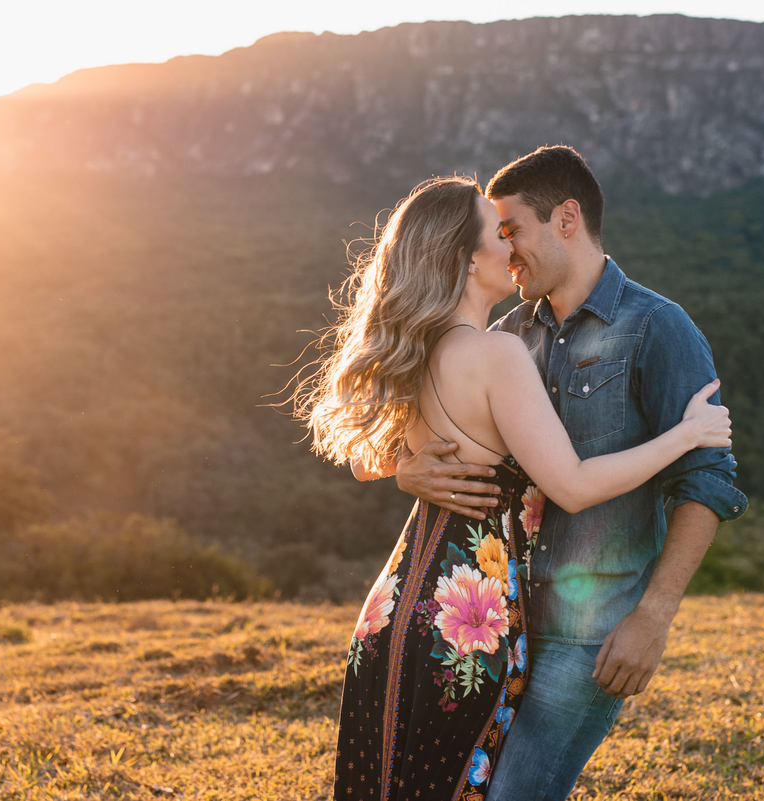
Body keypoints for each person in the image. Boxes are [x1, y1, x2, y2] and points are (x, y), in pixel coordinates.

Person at [292, 171, 732, 801]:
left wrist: (654, 615)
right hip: (472, 615)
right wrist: (685, 436)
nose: (509, 247)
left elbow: (368, 454)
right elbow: (573, 485)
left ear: (567, 219)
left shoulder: (427, 345)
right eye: (497, 233)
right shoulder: (503, 347)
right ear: (470, 260)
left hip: (408, 608)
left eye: (512, 229)